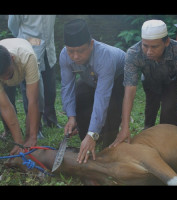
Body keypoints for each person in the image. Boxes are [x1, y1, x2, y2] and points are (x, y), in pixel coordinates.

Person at [110, 19, 177, 148]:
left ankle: (170, 139)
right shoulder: (133, 54)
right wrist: (125, 127)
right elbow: (129, 92)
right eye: (145, 46)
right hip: (149, 80)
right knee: (151, 107)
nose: (149, 52)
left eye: (154, 47)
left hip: (172, 81)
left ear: (166, 42)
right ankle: (148, 132)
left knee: (168, 110)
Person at [59, 19, 125, 164]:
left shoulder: (105, 56)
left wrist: (93, 133)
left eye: (81, 51)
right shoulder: (64, 55)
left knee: (112, 107)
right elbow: (67, 87)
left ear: (91, 44)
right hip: (90, 78)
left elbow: (102, 97)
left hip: (118, 77)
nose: (75, 56)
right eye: (71, 51)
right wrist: (71, 116)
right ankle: (86, 139)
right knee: (80, 96)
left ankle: (108, 143)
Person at [7, 15, 60, 139]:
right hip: (30, 48)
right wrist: (26, 39)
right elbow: (13, 26)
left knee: (50, 88)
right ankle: (35, 128)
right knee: (32, 93)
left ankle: (51, 120)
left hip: (48, 47)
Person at [0, 38, 41, 155]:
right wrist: (18, 142)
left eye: (7, 74)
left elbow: (33, 101)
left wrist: (32, 137)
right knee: (4, 104)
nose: (5, 79)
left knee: (36, 99)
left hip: (23, 65)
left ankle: (32, 133)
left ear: (12, 59)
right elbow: (5, 107)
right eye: (2, 77)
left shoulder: (28, 58)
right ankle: (11, 133)